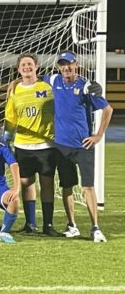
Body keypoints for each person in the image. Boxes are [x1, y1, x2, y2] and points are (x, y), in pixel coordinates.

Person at [48, 51, 112, 242]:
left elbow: (107, 109)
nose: (65, 68)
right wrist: (14, 83)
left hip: (83, 146)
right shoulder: (54, 81)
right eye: (62, 65)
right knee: (66, 187)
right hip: (61, 146)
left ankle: (95, 227)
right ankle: (72, 225)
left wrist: (98, 135)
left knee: (88, 186)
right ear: (58, 67)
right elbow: (31, 77)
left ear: (75, 64)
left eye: (69, 64)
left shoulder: (86, 87)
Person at [5, 53, 59, 236]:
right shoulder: (14, 90)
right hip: (22, 145)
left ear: (36, 67)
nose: (26, 67)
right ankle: (30, 224)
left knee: (47, 184)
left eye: (30, 64)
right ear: (18, 69)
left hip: (46, 145)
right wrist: (6, 137)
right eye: (23, 65)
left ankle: (48, 225)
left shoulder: (48, 86)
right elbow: (11, 117)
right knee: (26, 183)